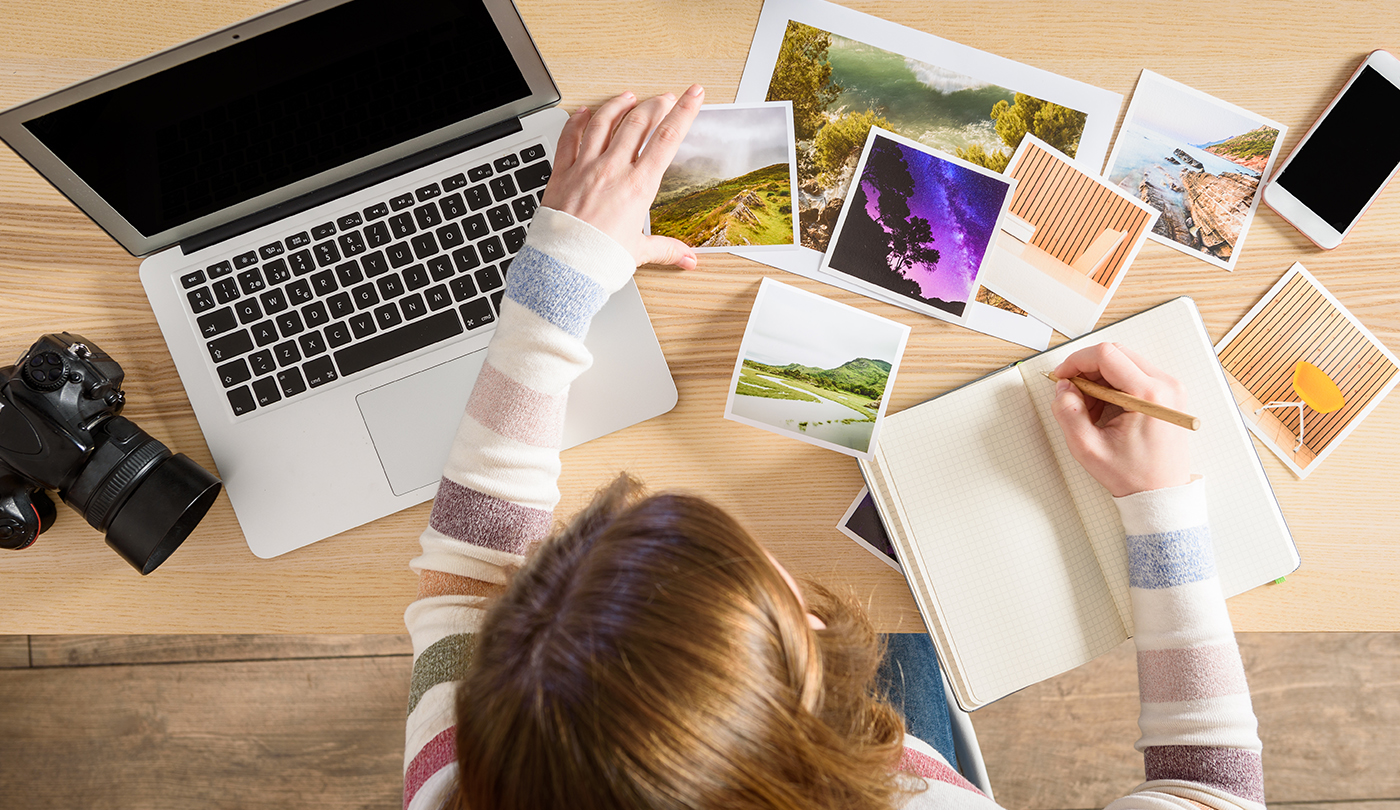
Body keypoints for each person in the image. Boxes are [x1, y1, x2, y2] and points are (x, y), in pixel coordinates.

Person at [400, 87, 1266, 810]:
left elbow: (465, 578)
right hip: (869, 748)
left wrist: (559, 278)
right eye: (779, 588)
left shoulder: (477, 777)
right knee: (902, 606)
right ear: (802, 653)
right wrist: (1163, 506)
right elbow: (1215, 796)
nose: (784, 564)